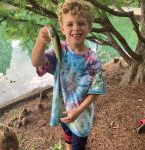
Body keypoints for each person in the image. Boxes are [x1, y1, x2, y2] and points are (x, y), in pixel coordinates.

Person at [31, 0, 106, 149]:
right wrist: (40, 41)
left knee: (77, 143)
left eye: (81, 23)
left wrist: (77, 111)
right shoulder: (59, 50)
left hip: (80, 116)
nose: (76, 28)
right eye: (70, 24)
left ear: (89, 27)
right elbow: (36, 62)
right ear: (62, 28)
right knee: (67, 139)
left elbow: (96, 91)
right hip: (63, 110)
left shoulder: (92, 60)